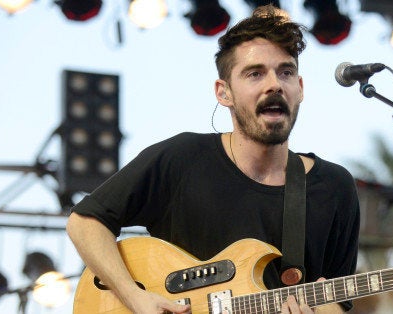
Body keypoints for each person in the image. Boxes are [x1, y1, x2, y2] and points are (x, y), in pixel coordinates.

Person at [66, 5, 360, 314]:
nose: (274, 84)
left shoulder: (334, 187)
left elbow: (334, 302)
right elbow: (84, 222)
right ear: (224, 93)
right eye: (255, 73)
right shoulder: (182, 159)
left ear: (299, 89)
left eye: (285, 72)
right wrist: (134, 297)